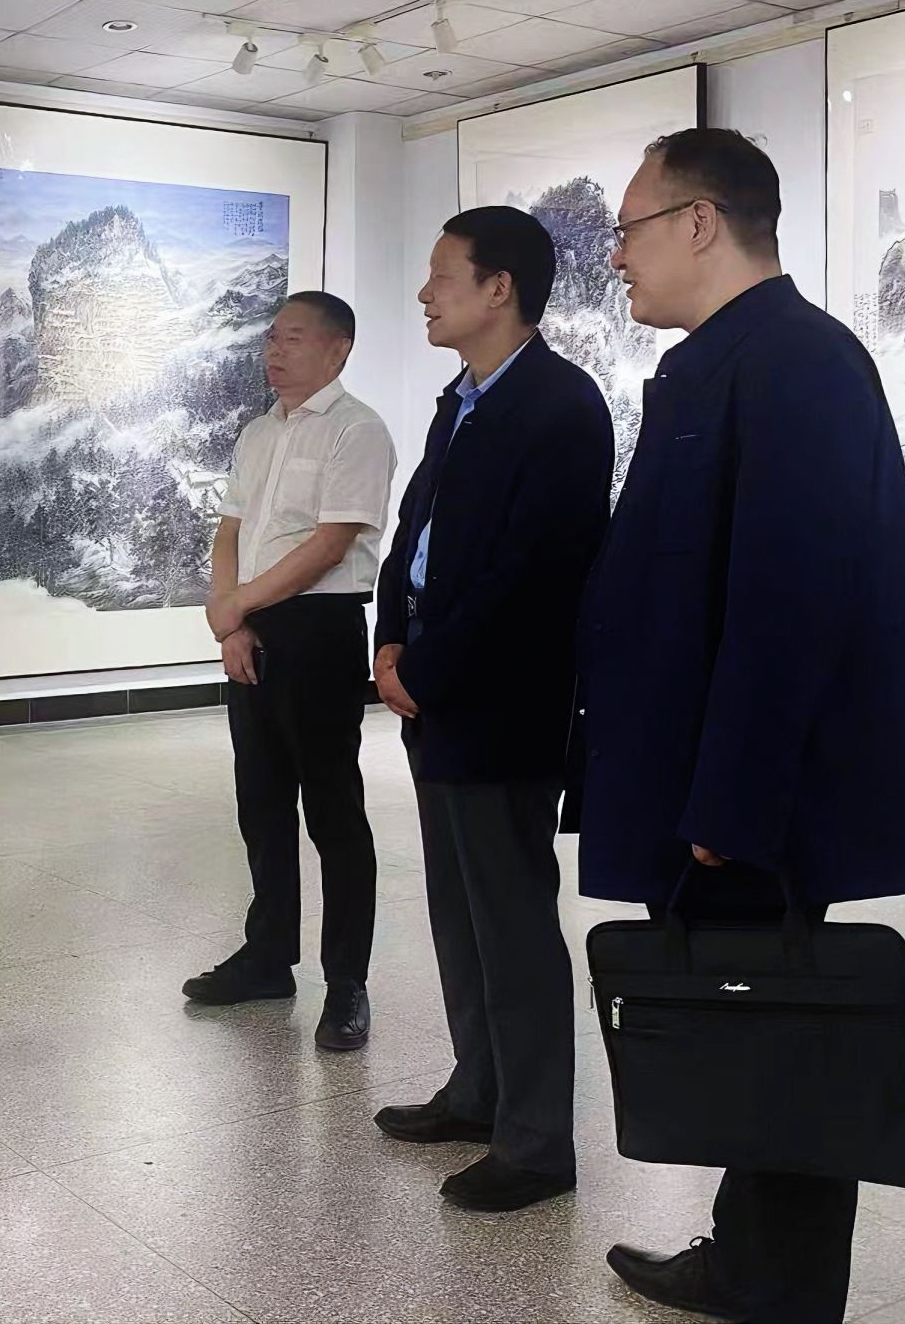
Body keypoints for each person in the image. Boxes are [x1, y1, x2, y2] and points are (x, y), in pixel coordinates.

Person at [578, 129, 905, 1322]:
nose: (615, 257)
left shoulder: (795, 360)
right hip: (711, 779)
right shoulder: (731, 358)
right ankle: (744, 1258)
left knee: (780, 1027)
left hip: (752, 796)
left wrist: (731, 802)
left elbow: (788, 599)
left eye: (628, 229)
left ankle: (779, 1291)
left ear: (697, 221)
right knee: (750, 1024)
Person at [371, 207, 613, 1213]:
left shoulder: (561, 407)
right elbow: (412, 534)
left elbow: (532, 576)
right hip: (433, 690)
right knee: (457, 911)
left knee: (510, 921)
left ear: (498, 287)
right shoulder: (460, 400)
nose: (425, 294)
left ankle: (536, 1143)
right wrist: (389, 638)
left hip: (501, 703)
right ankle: (477, 1092)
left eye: (442, 275)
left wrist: (427, 668)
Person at [187, 291, 397, 1053]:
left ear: (338, 349)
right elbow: (232, 529)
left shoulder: (357, 430)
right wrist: (232, 619)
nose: (274, 352)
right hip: (254, 625)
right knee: (262, 801)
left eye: (294, 339)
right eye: (272, 339)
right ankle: (268, 956)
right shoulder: (258, 431)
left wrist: (236, 605)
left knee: (333, 810)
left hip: (320, 628)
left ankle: (347, 983)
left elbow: (331, 543)